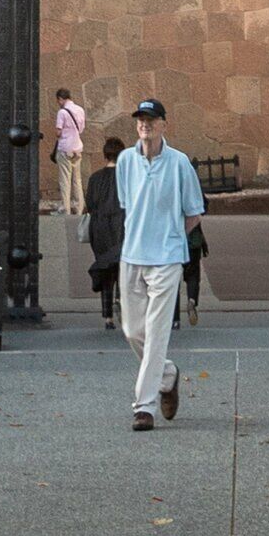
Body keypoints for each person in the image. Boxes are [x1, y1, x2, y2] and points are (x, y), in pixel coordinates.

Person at [112, 97, 206, 429]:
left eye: (151, 119)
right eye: (140, 119)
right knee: (132, 330)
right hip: (132, 255)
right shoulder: (125, 161)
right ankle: (167, 374)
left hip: (166, 259)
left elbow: (194, 213)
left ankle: (144, 406)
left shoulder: (180, 164)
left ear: (164, 124)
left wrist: (171, 238)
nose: (145, 124)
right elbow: (128, 204)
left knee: (156, 334)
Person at [83, 137, 125, 325]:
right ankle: (120, 300)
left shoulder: (95, 178)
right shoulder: (126, 177)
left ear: (105, 154)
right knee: (123, 268)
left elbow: (90, 204)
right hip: (121, 226)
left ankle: (107, 316)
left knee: (105, 268)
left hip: (99, 228)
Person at [49, 85, 87, 211]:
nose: (58, 103)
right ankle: (79, 208)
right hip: (77, 147)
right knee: (77, 180)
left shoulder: (62, 112)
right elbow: (81, 129)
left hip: (65, 148)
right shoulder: (80, 109)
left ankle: (66, 209)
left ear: (61, 99)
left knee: (65, 180)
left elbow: (58, 132)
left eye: (58, 101)